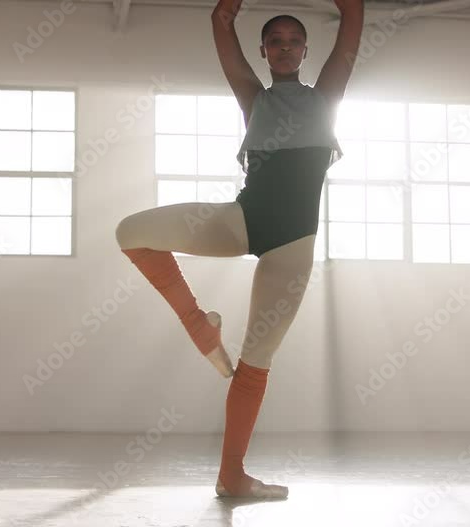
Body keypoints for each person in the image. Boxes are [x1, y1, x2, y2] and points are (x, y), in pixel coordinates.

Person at [115, 0, 363, 499]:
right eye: (276, 41)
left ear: (306, 50)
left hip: (292, 244)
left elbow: (352, 21)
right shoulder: (255, 98)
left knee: (255, 362)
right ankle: (198, 325)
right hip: (243, 221)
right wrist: (229, 9)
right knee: (130, 231)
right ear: (265, 51)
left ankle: (232, 476)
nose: (286, 46)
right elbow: (220, 20)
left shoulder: (326, 98)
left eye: (295, 40)